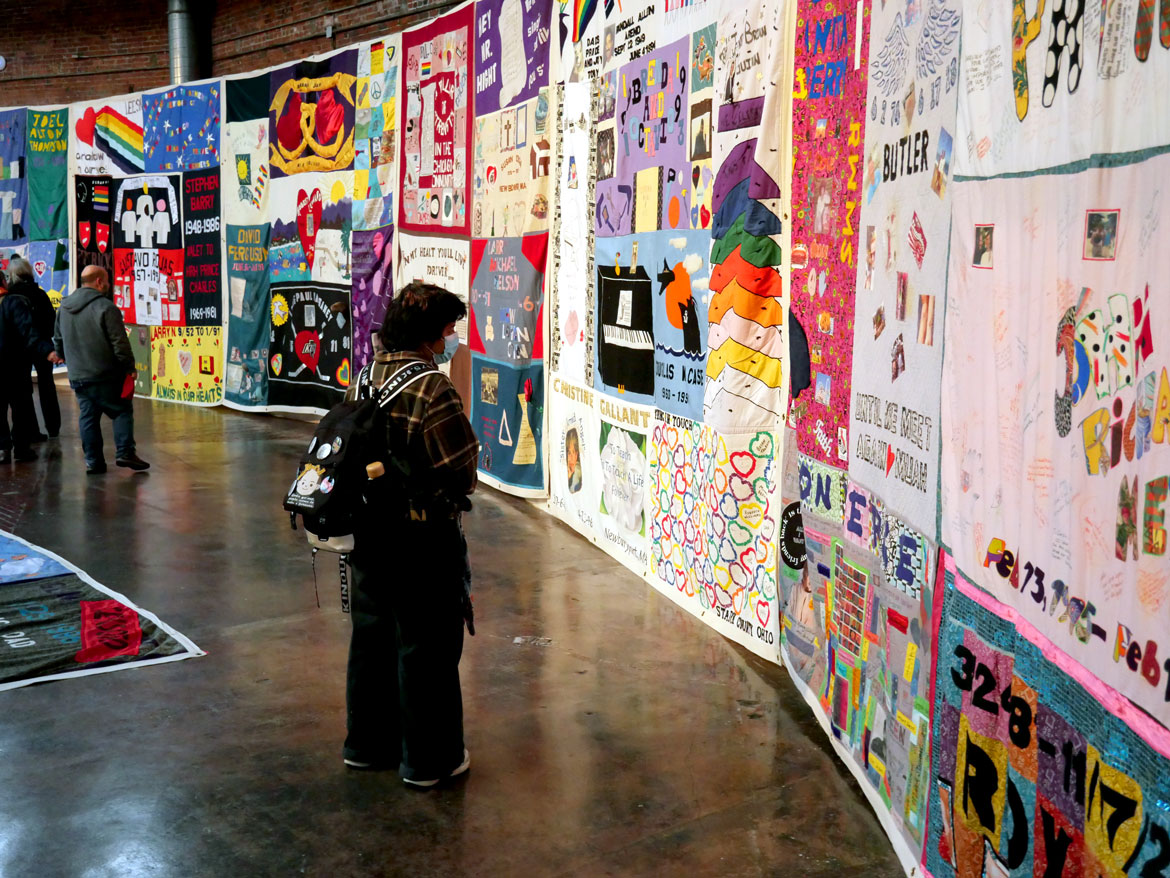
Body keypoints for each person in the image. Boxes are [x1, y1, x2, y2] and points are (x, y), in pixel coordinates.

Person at [341, 281, 479, 787]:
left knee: (372, 638)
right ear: (428, 336)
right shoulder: (432, 387)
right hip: (422, 539)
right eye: (448, 330)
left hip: (367, 533)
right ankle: (429, 761)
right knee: (427, 647)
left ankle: (366, 745)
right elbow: (460, 471)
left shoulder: (365, 377)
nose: (450, 340)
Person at [53, 265, 149, 475]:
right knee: (121, 409)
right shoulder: (106, 307)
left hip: (78, 375)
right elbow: (119, 342)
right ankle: (125, 451)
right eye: (106, 280)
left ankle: (93, 461)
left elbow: (58, 339)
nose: (108, 284)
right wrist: (129, 367)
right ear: (99, 281)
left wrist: (61, 353)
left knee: (88, 417)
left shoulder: (64, 307)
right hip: (105, 374)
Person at [0, 269, 60, 464]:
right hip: (15, 366)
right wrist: (47, 351)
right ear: (4, 282)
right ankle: (21, 448)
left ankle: (2, 448)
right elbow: (28, 331)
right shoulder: (13, 303)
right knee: (21, 407)